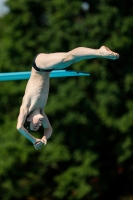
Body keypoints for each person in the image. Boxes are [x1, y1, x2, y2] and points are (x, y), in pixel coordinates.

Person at [17, 46, 119, 150]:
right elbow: (48, 129)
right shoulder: (41, 111)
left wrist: (33, 140)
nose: (39, 125)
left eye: (35, 126)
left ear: (29, 118)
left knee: (68, 58)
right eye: (38, 127)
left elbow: (19, 127)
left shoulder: (26, 106)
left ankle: (100, 52)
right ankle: (99, 52)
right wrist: (44, 138)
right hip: (47, 69)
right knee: (71, 59)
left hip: (39, 66)